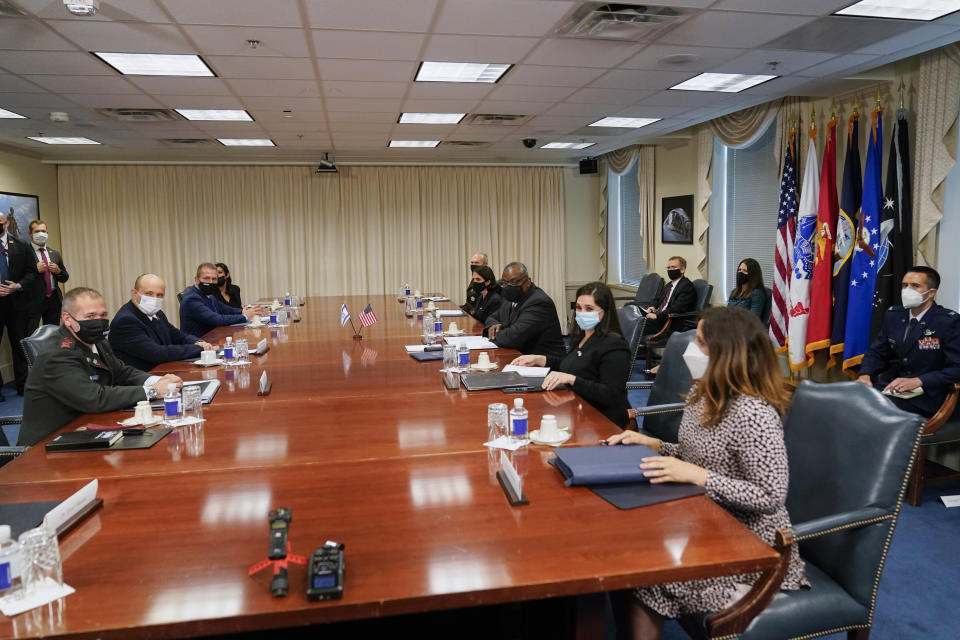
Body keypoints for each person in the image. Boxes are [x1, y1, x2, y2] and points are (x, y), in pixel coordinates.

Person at [606, 306, 807, 638]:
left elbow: (770, 496)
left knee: (648, 578)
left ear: (726, 353)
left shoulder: (754, 412)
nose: (689, 348)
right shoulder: (704, 392)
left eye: (699, 341)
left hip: (750, 544)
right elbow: (695, 458)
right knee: (628, 552)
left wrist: (699, 477)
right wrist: (653, 444)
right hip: (703, 517)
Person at [21, 287, 182, 446]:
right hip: (50, 443)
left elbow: (123, 372)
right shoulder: (58, 353)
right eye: (90, 316)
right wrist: (153, 391)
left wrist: (160, 381)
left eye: (103, 315)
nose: (98, 321)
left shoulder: (98, 341)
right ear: (67, 319)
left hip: (89, 427)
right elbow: (94, 398)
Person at [510, 282, 630, 426]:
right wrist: (540, 359)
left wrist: (572, 380)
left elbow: (610, 394)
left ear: (605, 311)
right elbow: (572, 365)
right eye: (578, 308)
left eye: (589, 309)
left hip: (602, 420)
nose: (581, 313)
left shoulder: (614, 345)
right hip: (577, 408)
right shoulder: (584, 336)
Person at [858, 266, 960, 418]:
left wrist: (919, 381)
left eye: (915, 286)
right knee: (851, 398)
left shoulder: (948, 322)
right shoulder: (894, 315)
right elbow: (877, 352)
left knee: (874, 408)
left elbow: (956, 368)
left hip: (931, 395)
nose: (907, 290)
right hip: (896, 388)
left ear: (931, 292)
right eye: (905, 285)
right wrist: (865, 375)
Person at [109, 274, 216, 371]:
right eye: (148, 294)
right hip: (143, 380)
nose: (154, 299)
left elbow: (176, 335)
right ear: (134, 294)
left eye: (159, 295)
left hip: (164, 370)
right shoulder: (125, 321)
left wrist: (198, 341)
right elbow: (157, 353)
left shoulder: (157, 313)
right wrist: (199, 348)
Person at [483, 261, 565, 359]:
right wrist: (493, 325)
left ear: (528, 282)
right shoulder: (511, 298)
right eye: (505, 282)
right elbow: (492, 317)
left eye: (514, 282)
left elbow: (511, 339)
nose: (509, 286)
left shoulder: (538, 302)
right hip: (520, 356)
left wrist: (494, 333)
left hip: (543, 363)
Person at [0, 210, 35, 397]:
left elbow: (32, 273)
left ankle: (23, 386)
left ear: (6, 224)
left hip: (17, 303)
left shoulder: (21, 245)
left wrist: (19, 285)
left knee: (19, 345)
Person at [180, 263, 263, 338]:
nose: (211, 282)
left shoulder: (209, 295)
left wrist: (244, 311)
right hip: (199, 344)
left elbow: (226, 309)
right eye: (206, 278)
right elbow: (216, 319)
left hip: (213, 338)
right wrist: (244, 316)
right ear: (197, 280)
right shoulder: (192, 299)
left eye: (214, 279)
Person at [25, 219, 69, 331]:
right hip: (32, 300)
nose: (41, 234)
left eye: (43, 231)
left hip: (53, 299)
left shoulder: (54, 253)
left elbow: (65, 277)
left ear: (47, 233)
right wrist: (35, 270)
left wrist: (58, 271)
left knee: (52, 332)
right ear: (30, 234)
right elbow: (18, 277)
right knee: (30, 332)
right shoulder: (23, 253)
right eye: (37, 231)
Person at [641, 256, 696, 337]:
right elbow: (658, 299)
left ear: (682, 269)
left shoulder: (687, 286)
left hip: (667, 323)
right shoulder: (669, 285)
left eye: (673, 267)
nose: (670, 270)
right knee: (631, 315)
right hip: (658, 318)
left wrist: (657, 316)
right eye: (668, 268)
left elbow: (677, 308)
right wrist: (653, 307)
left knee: (636, 325)